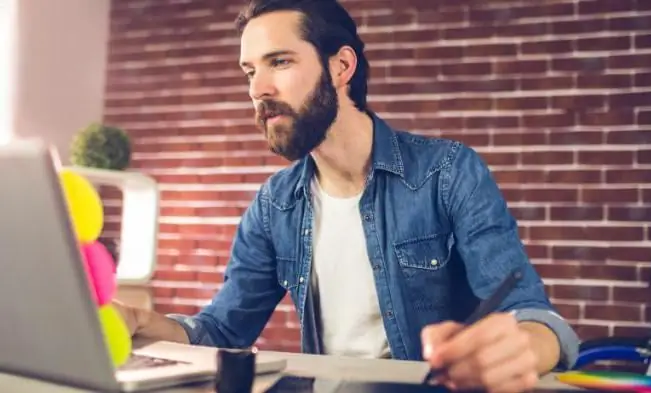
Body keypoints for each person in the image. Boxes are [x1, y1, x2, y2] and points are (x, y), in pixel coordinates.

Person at [115, 0, 580, 391]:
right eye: (249, 71)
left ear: (341, 66)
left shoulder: (447, 173)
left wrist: (522, 347)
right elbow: (222, 330)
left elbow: (536, 317)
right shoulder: (275, 204)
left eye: (280, 62)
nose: (258, 89)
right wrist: (140, 320)